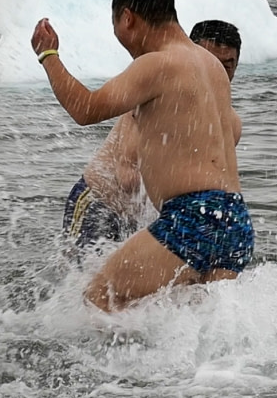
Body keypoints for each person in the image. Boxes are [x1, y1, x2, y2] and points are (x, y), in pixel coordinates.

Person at [32, 0, 254, 312]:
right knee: (196, 319)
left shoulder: (157, 63)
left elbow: (86, 109)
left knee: (99, 299)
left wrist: (49, 56)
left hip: (191, 218)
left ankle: (110, 367)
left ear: (127, 18)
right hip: (234, 219)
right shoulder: (211, 66)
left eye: (117, 28)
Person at [62, 20, 243, 254]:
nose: (218, 71)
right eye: (211, 60)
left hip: (151, 218)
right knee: (81, 284)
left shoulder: (231, 125)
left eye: (228, 65)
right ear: (193, 57)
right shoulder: (157, 101)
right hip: (99, 202)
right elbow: (127, 176)